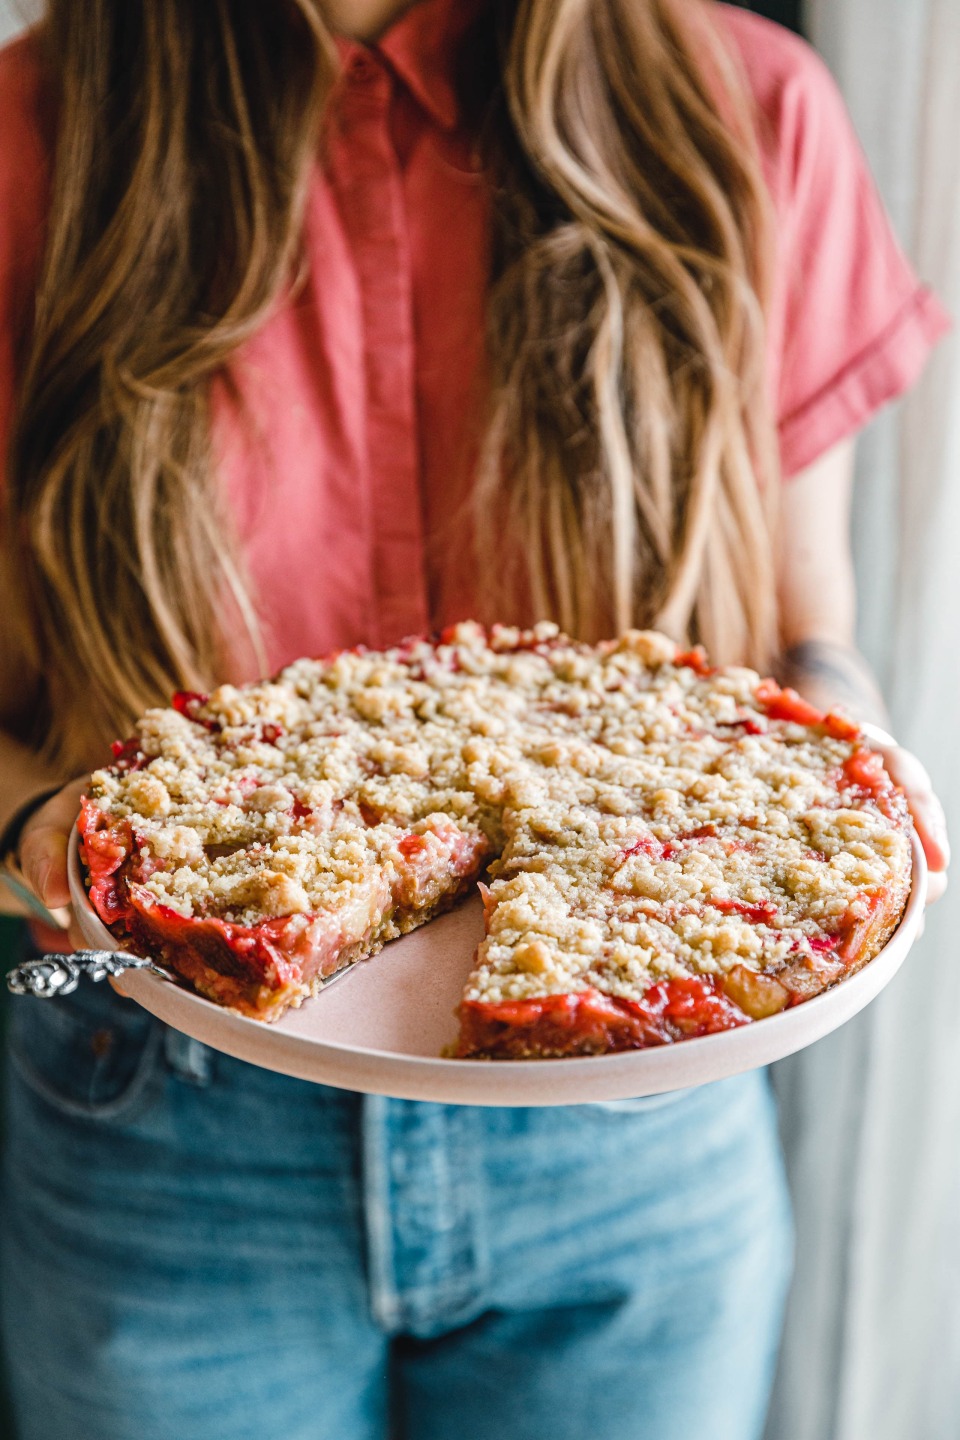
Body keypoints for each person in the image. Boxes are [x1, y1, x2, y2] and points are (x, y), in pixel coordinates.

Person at [0, 2, 950, 1437]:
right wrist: (36, 823)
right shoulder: (29, 137)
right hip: (160, 1120)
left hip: (641, 1127)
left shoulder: (753, 111)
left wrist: (836, 747)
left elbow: (806, 628)